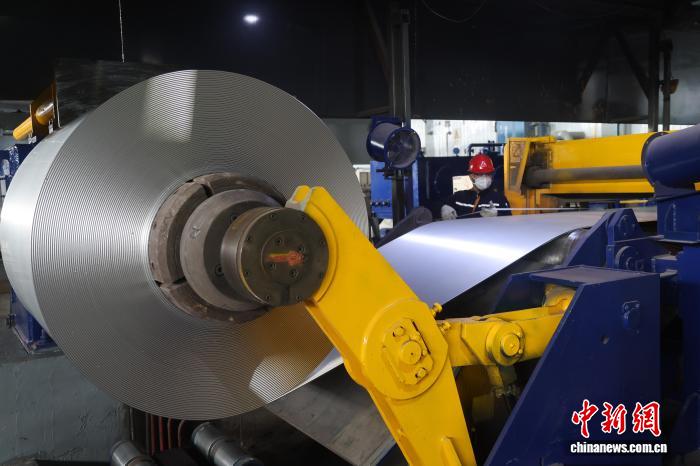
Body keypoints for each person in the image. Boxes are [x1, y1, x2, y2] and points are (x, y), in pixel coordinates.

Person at [441, 153, 511, 220]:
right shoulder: (459, 197)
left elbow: (508, 220)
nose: (484, 178)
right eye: (479, 174)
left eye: (488, 174)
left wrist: (498, 215)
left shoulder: (499, 199)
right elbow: (440, 205)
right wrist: (444, 208)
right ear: (471, 176)